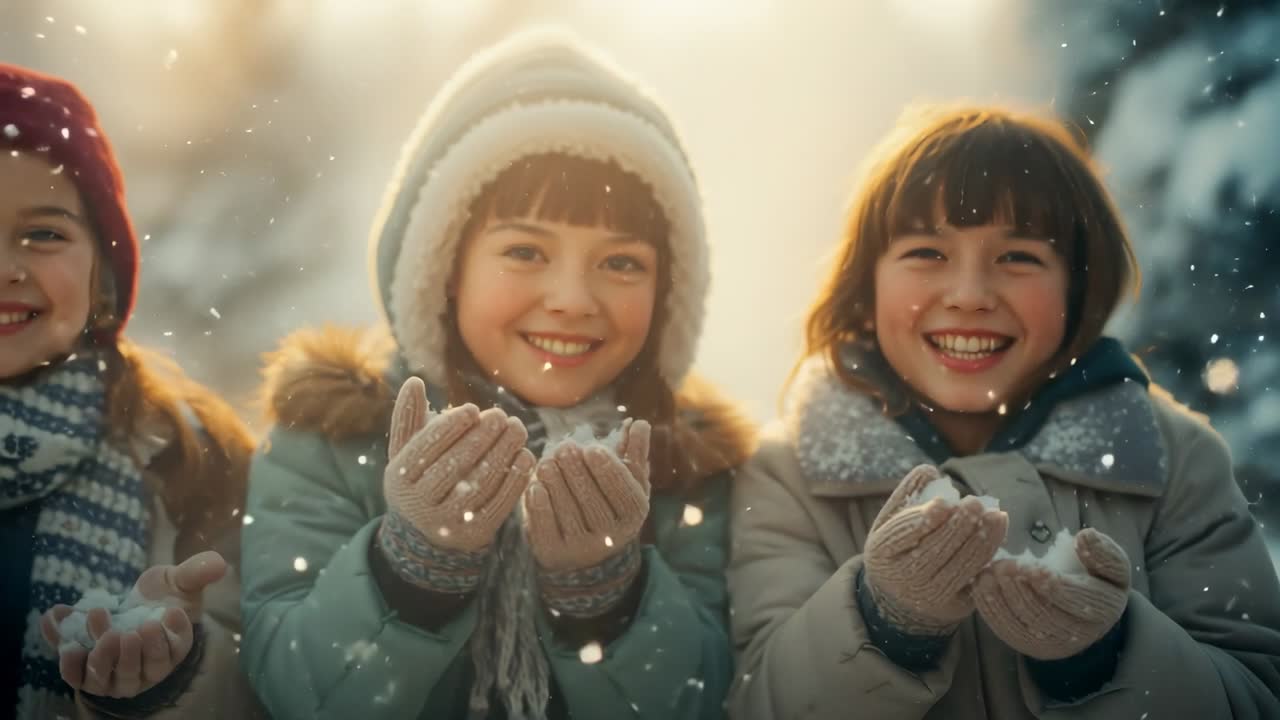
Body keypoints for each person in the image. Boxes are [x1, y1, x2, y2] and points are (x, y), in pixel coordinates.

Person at [240, 29, 755, 720]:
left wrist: (607, 595)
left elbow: (709, 699)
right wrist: (414, 565)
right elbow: (294, 691)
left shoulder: (688, 465)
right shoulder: (332, 439)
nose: (573, 298)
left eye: (621, 262)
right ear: (445, 270)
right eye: (524, 251)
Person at [727, 104, 1280, 719]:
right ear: (867, 284)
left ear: (1078, 289)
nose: (968, 296)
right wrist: (886, 621)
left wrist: (1104, 654)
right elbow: (760, 703)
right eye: (926, 254)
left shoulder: (1174, 459)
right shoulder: (789, 472)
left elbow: (1255, 697)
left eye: (1018, 257)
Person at [0, 63, 264, 718]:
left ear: (103, 275)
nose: (7, 268)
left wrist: (170, 678)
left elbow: (268, 686)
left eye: (44, 234)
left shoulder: (192, 457)